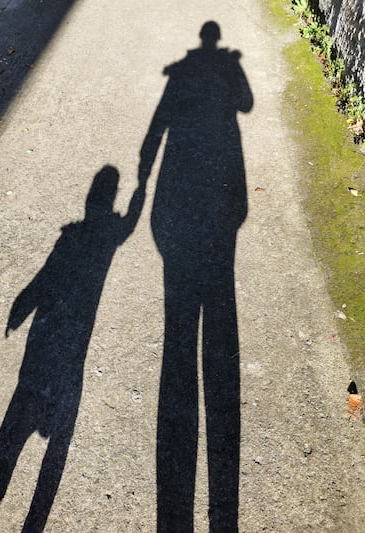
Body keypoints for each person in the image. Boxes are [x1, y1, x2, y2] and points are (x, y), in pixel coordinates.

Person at [0, 166, 145, 533]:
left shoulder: (85, 234)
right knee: (46, 442)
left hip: (46, 343)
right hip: (69, 344)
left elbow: (48, 273)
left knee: (15, 435)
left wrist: (25, 303)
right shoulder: (100, 234)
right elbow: (128, 223)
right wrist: (143, 183)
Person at [138, 21, 253, 532]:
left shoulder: (181, 71)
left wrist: (143, 180)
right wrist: (231, 66)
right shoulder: (220, 66)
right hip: (218, 211)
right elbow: (246, 104)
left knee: (178, 333)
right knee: (213, 322)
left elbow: (158, 125)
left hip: (173, 202)